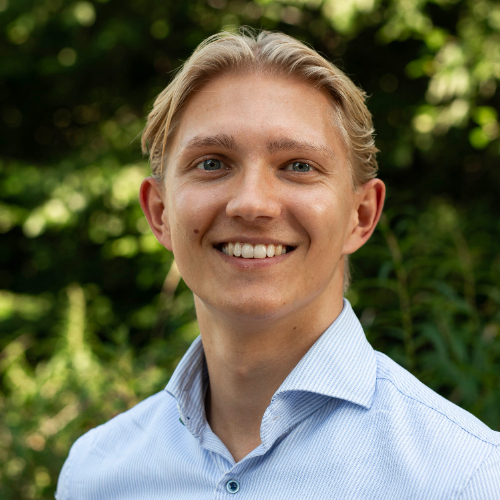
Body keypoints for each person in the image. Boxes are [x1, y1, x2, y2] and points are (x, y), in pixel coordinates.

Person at [56, 30, 500, 499]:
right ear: (160, 212)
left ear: (361, 215)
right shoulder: (95, 476)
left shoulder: (467, 478)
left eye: (299, 166)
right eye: (212, 163)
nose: (252, 204)